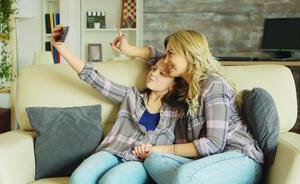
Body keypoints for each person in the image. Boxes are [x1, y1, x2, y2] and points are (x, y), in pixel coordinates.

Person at [111, 29, 264, 184]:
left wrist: (158, 148)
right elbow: (158, 58)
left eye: (170, 53)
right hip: (206, 162)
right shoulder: (185, 86)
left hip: (239, 158)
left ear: (189, 54)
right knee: (153, 160)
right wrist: (128, 49)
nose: (165, 59)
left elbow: (215, 143)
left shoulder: (214, 84)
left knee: (183, 174)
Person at [50, 26, 186, 184]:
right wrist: (61, 47)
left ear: (173, 85)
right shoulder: (131, 95)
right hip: (112, 151)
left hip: (139, 162)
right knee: (78, 179)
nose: (153, 74)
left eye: (162, 74)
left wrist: (151, 151)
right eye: (154, 69)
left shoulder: (178, 111)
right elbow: (93, 77)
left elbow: (179, 149)